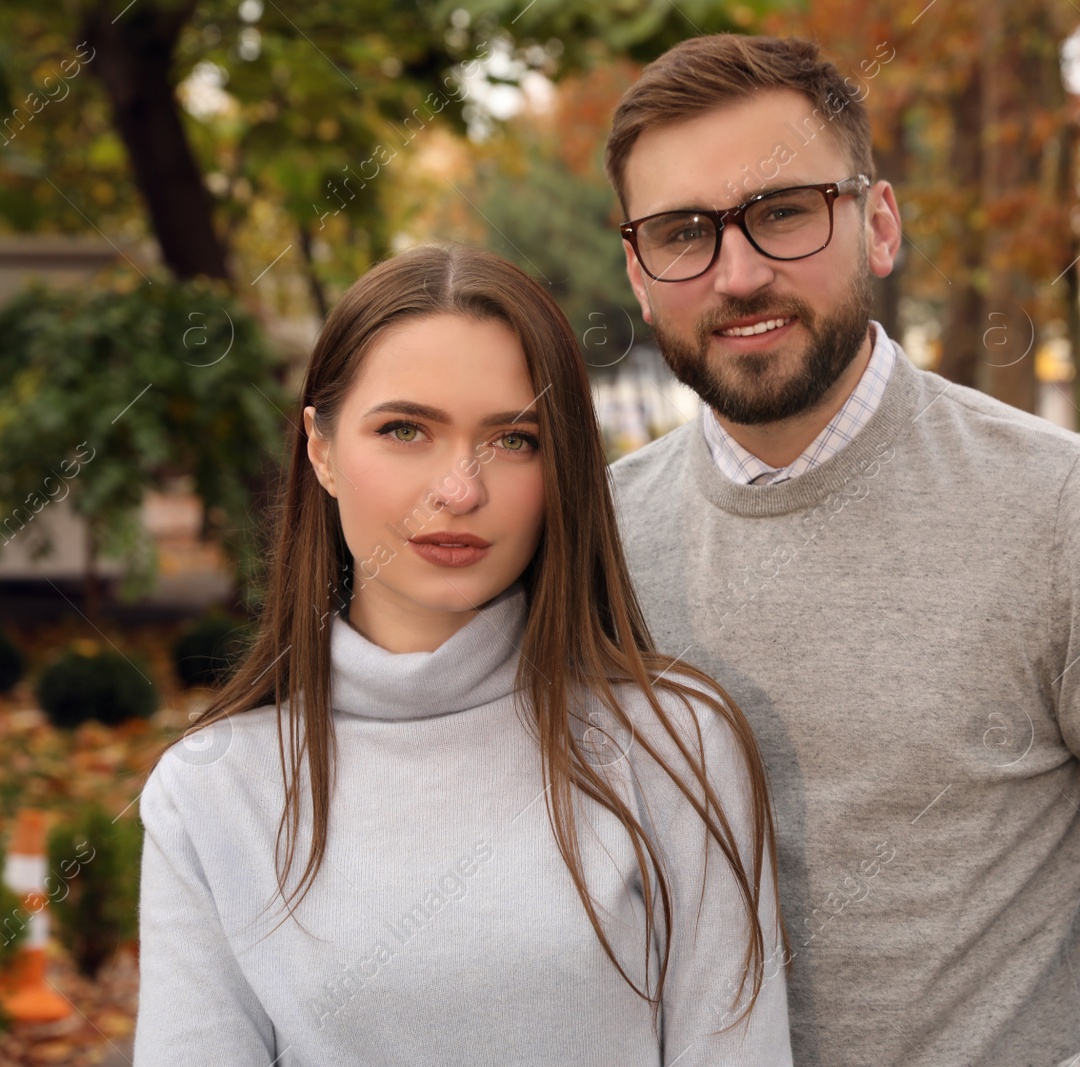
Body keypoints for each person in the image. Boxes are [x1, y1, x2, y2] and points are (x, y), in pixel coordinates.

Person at [604, 34, 1080, 1067]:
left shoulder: (1071, 512)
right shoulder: (596, 535)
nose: (738, 272)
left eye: (784, 211)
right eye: (682, 232)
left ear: (877, 224)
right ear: (636, 269)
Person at [133, 244, 792, 1066]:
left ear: (564, 468)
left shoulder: (675, 745)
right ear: (322, 448)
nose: (460, 490)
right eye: (405, 429)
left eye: (513, 439)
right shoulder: (210, 793)